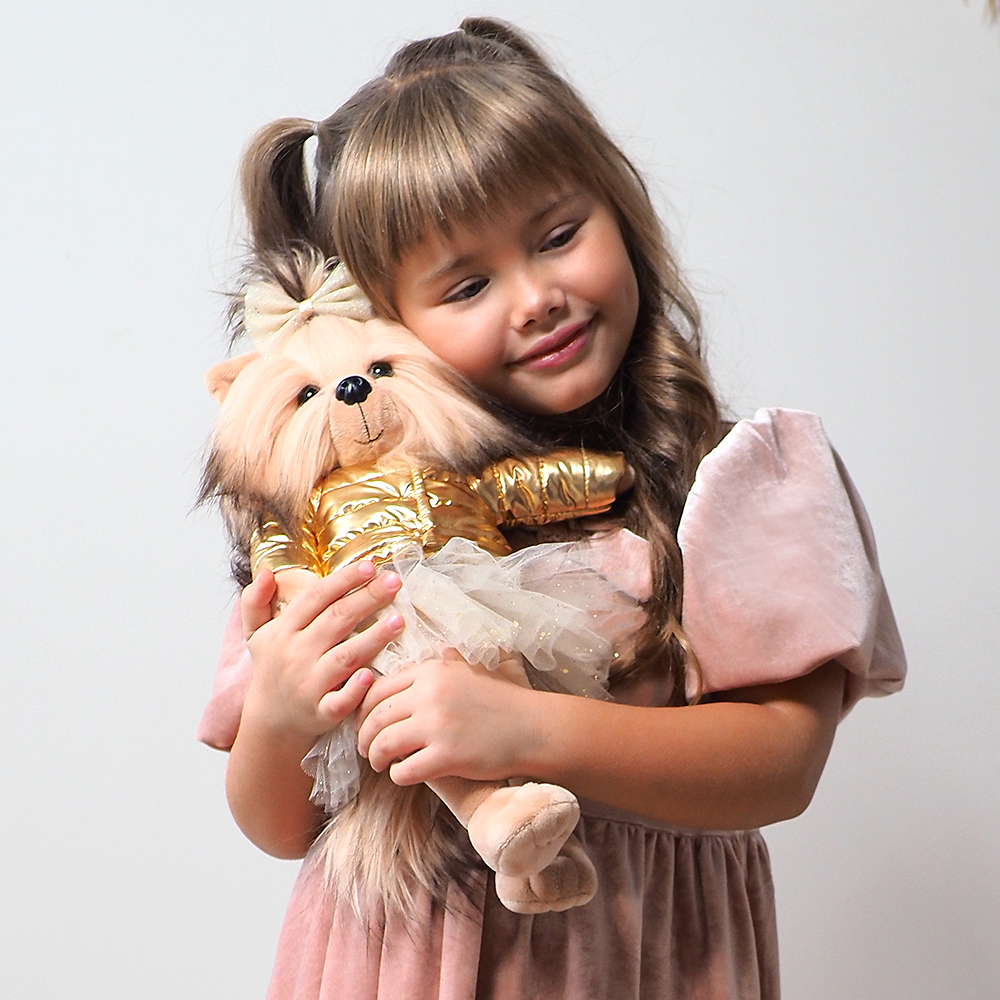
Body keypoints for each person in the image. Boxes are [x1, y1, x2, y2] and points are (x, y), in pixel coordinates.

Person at [197, 17, 906, 1000]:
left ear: (619, 209)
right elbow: (284, 827)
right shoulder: (353, 514)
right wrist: (278, 718)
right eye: (467, 284)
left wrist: (524, 729)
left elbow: (782, 762)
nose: (534, 298)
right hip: (395, 961)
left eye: (560, 236)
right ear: (389, 320)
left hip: (635, 958)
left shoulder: (734, 474)